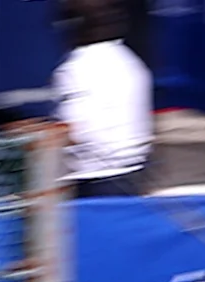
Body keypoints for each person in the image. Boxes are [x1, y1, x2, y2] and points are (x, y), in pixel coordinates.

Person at [53, 0, 153, 197]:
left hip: (95, 184)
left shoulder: (74, 69)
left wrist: (32, 136)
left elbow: (74, 131)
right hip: (135, 178)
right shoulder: (131, 61)